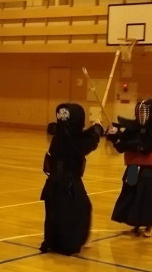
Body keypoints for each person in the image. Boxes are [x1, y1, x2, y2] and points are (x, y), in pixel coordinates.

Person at [40, 103, 104, 255]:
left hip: (54, 183)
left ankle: (55, 241)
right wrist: (97, 129)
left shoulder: (60, 135)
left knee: (56, 212)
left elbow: (81, 137)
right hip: (68, 184)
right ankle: (71, 243)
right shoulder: (71, 140)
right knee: (81, 209)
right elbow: (87, 143)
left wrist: (94, 128)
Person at [106, 98, 152, 238]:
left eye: (145, 112)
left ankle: (148, 225)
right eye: (140, 111)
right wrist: (115, 137)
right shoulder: (132, 129)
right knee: (131, 194)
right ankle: (135, 223)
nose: (142, 115)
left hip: (148, 170)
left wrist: (122, 140)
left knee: (148, 198)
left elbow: (144, 147)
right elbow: (121, 147)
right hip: (133, 168)